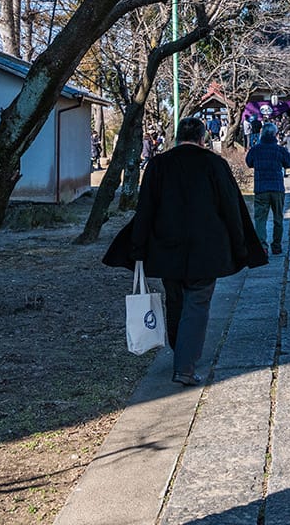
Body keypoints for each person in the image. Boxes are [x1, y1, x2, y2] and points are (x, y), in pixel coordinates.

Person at [103, 115, 267, 386]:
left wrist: (138, 247)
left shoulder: (158, 165)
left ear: (179, 136)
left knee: (176, 300)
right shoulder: (215, 164)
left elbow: (145, 210)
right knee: (197, 304)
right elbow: (231, 209)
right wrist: (241, 246)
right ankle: (185, 365)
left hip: (167, 247)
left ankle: (181, 352)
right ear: (203, 138)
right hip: (207, 249)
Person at [244, 126, 290, 255]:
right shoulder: (279, 150)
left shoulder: (255, 150)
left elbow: (249, 162)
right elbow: (289, 162)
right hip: (277, 187)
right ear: (275, 134)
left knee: (260, 218)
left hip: (261, 187)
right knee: (278, 218)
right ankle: (276, 246)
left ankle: (262, 246)